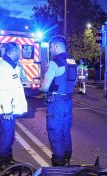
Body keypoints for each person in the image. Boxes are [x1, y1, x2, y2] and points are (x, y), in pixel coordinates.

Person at [40, 35, 77, 166]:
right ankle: (67, 157)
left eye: (51, 47)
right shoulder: (73, 62)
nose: (50, 50)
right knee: (65, 131)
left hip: (56, 103)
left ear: (56, 46)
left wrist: (42, 85)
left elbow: (45, 87)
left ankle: (58, 162)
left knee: (54, 131)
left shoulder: (55, 62)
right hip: (68, 102)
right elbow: (73, 82)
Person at [0, 42, 28, 171]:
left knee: (10, 134)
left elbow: (23, 82)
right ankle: (0, 162)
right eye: (18, 51)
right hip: (5, 109)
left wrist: (21, 71)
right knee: (7, 135)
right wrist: (7, 110)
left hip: (10, 108)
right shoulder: (4, 67)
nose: (20, 54)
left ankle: (8, 158)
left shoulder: (12, 66)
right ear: (12, 52)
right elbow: (3, 90)